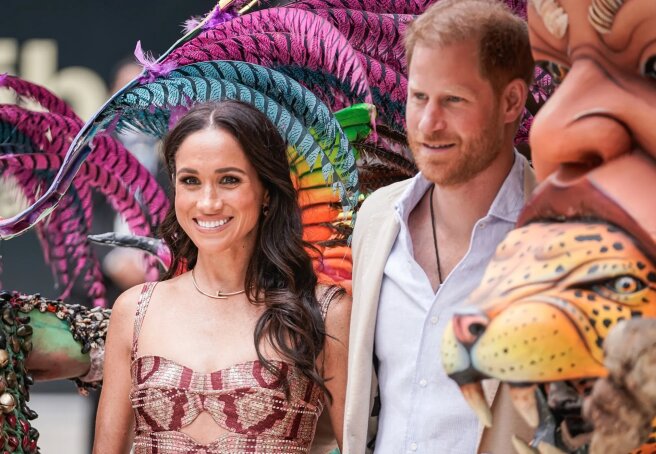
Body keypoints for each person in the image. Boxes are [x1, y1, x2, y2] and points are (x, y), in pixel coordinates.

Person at [93, 100, 350, 453]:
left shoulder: (325, 313)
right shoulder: (135, 310)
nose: (208, 202)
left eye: (229, 180)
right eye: (191, 181)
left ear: (267, 192)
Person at [343, 0, 538, 452]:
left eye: (453, 99)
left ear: (511, 101)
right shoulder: (376, 219)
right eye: (418, 97)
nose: (428, 123)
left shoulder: (560, 229)